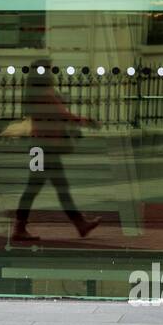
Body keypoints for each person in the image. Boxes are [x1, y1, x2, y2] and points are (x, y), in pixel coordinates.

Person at [12, 65, 104, 244]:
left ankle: (80, 224)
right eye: (48, 71)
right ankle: (20, 228)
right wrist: (88, 122)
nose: (52, 74)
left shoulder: (33, 94)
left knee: (45, 188)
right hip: (47, 150)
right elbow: (63, 115)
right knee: (42, 189)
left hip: (38, 147)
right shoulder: (46, 94)